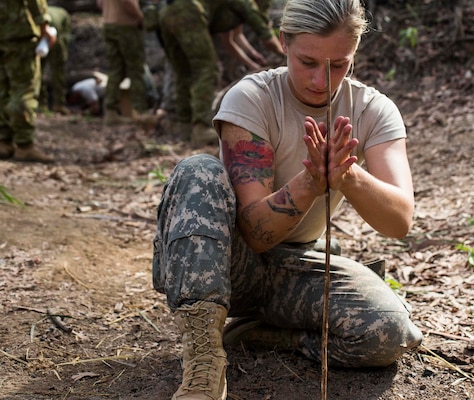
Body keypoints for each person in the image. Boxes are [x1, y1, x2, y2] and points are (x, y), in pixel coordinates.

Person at [152, 0, 423, 398]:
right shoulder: (251, 98)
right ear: (283, 43)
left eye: (337, 65)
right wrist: (310, 183)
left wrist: (348, 174)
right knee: (197, 171)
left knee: (389, 332)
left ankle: (269, 334)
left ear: (354, 53)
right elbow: (256, 235)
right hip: (225, 264)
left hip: (295, 267)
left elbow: (399, 221)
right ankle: (204, 362)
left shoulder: (373, 110)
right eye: (308, 62)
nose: (321, 81)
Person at [157, 0, 285, 148]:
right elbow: (268, 38)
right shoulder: (246, 3)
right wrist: (289, 56)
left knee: (183, 71)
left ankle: (184, 125)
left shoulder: (229, 8)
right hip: (188, 11)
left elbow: (230, 41)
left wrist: (252, 62)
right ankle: (201, 127)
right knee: (207, 69)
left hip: (166, 13)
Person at [0, 0, 56, 163]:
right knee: (24, 89)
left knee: (2, 89)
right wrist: (44, 27)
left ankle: (3, 140)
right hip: (20, 34)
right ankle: (24, 145)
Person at [96, 0, 148, 125]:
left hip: (108, 24)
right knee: (136, 70)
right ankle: (140, 113)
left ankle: (110, 111)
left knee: (115, 70)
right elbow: (127, 1)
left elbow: (100, 3)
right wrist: (140, 17)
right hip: (126, 26)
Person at [39, 5, 72, 115]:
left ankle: (44, 104)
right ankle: (56, 104)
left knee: (42, 71)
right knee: (54, 72)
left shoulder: (48, 11)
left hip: (53, 33)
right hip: (48, 33)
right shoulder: (60, 12)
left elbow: (65, 36)